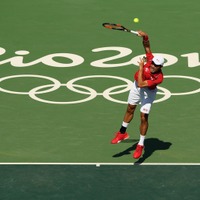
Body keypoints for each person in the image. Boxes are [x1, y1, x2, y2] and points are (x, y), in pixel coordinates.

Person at [111, 30, 165, 159]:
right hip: (136, 86)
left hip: (148, 92)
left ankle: (140, 144)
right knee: (130, 108)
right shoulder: (151, 60)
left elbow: (142, 84)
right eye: (152, 63)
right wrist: (145, 36)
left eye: (156, 65)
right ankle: (122, 132)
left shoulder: (159, 78)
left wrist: (141, 67)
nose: (152, 65)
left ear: (160, 67)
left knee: (143, 116)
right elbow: (147, 46)